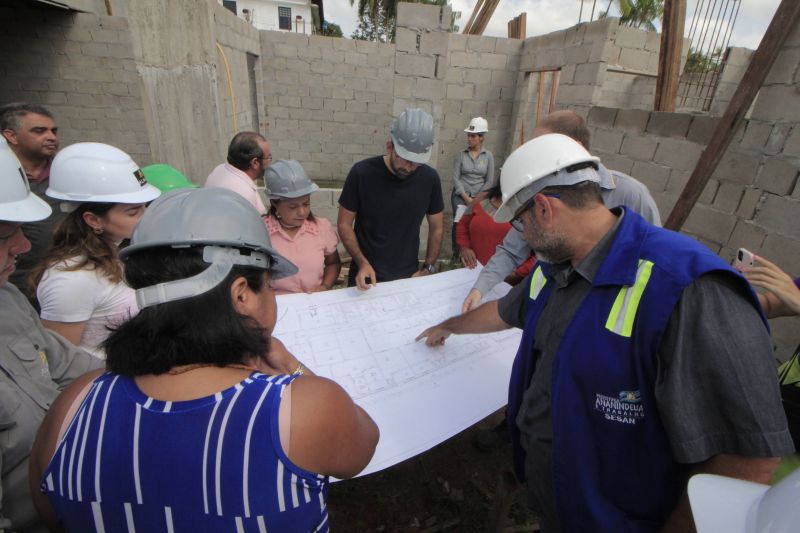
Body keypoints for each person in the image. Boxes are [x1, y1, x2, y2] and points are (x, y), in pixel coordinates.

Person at [417, 134, 793, 532]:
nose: (521, 235)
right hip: (560, 506)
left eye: (520, 221)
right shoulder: (556, 270)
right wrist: (448, 326)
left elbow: (746, 459)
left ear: (543, 209)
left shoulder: (689, 289)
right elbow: (506, 312)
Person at [29, 188, 379, 532]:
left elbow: (51, 513)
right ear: (242, 294)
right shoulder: (302, 406)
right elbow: (363, 448)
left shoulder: (74, 403)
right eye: (268, 287)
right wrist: (291, 367)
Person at [461, 109, 661, 313]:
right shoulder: (537, 198)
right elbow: (512, 251)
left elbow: (652, 264)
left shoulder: (632, 196)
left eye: (544, 147)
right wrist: (480, 289)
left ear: (575, 148)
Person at [0, 138, 103, 532]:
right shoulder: (69, 279)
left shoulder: (8, 300)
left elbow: (74, 366)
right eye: (3, 236)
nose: (23, 247)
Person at [30, 142, 161, 357]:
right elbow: (61, 363)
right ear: (93, 220)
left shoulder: (119, 251)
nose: (145, 217)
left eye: (145, 206)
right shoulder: (71, 279)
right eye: (132, 212)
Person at [338, 107, 444, 290]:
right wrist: (362, 263)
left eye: (416, 162)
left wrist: (428, 267)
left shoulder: (430, 179)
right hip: (365, 277)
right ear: (390, 146)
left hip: (408, 277)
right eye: (404, 159)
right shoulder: (361, 173)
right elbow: (344, 224)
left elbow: (437, 227)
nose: (410, 167)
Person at [0, 103, 63, 298]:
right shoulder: (5, 180)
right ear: (11, 136)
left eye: (53, 131)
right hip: (17, 290)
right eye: (39, 131)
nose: (51, 137)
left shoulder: (66, 174)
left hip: (63, 287)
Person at [264, 159, 341, 294]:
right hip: (277, 307)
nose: (302, 212)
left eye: (306, 204)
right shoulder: (261, 232)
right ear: (275, 203)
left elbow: (333, 263)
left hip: (313, 305)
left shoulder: (321, 228)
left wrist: (325, 286)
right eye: (293, 207)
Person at [456, 183, 534, 280]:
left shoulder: (531, 208)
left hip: (506, 283)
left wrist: (517, 273)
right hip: (471, 273)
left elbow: (539, 254)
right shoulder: (482, 198)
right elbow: (463, 224)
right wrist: (464, 247)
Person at [451, 117, 495, 257]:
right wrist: (465, 197)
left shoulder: (488, 156)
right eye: (468, 135)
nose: (469, 138)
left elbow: (489, 181)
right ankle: (456, 254)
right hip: (460, 195)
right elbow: (456, 178)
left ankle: (472, 255)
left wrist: (476, 199)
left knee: (474, 225)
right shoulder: (461, 155)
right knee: (458, 223)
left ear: (481, 137)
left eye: (473, 136)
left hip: (479, 197)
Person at [205, 131, 271, 215]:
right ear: (255, 163)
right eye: (268, 157)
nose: (270, 162)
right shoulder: (245, 194)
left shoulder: (219, 169)